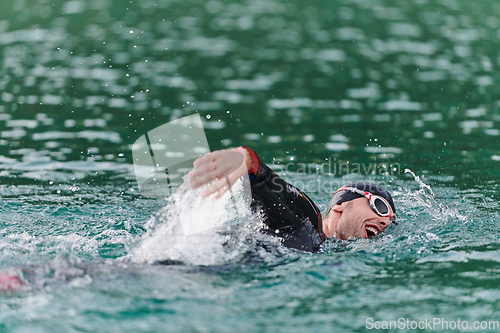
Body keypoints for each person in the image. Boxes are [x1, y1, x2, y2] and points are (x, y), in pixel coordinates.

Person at [188, 146, 397, 252]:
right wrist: (246, 160)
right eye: (378, 206)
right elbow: (269, 182)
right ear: (340, 206)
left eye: (389, 221)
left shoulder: (326, 250)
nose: (385, 221)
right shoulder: (307, 220)